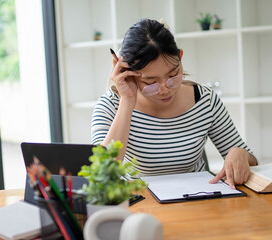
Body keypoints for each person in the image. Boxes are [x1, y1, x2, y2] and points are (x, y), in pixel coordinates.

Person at [91, 18, 257, 188]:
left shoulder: (205, 100)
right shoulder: (110, 106)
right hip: (141, 205)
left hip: (196, 201)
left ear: (180, 58)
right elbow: (101, 174)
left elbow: (253, 162)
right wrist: (127, 100)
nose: (165, 89)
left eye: (173, 76)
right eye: (151, 83)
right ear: (129, 74)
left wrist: (240, 153)